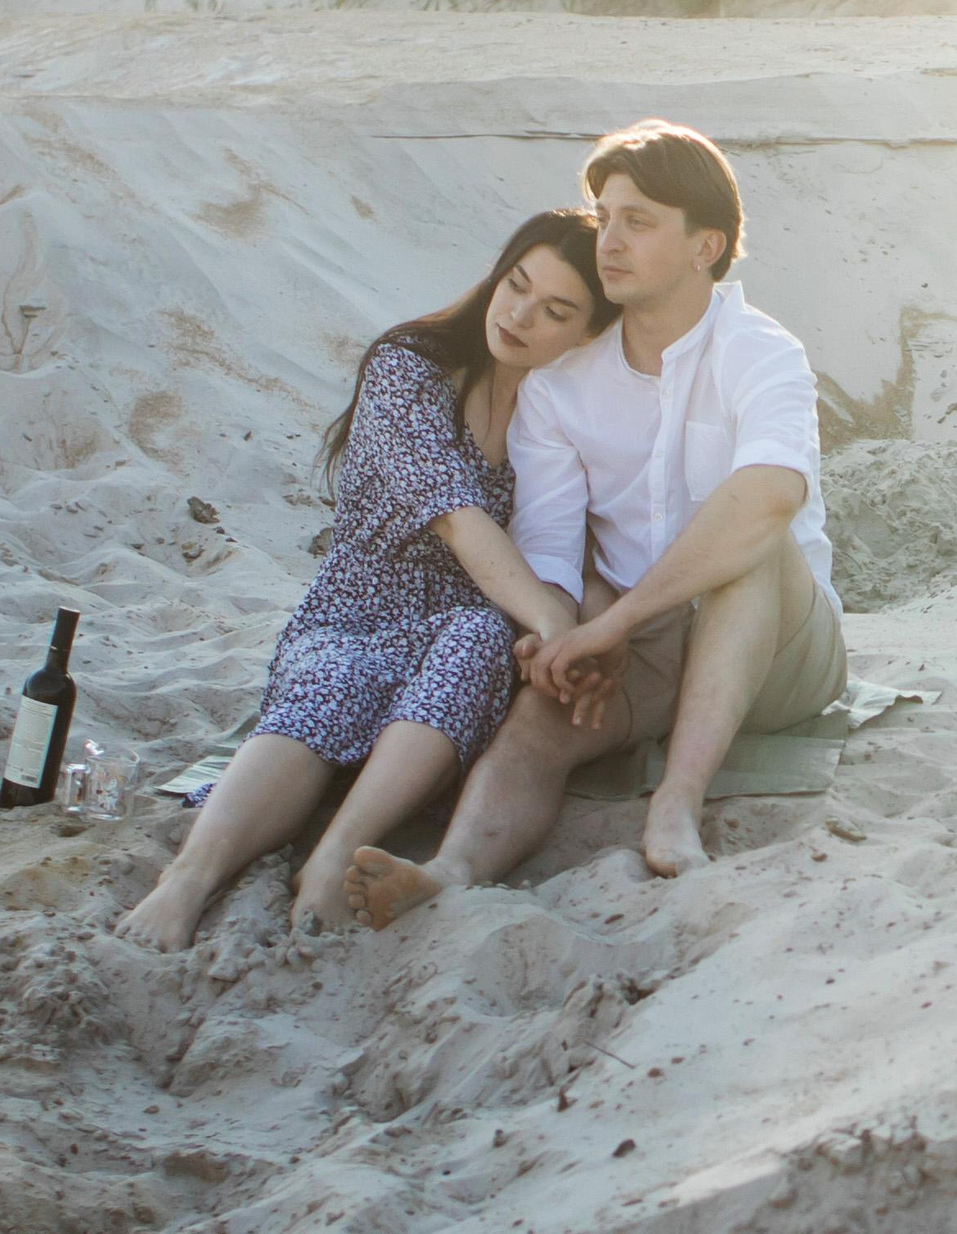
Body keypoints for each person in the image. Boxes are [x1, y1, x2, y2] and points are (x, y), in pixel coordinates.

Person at [347, 119, 844, 928]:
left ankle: (675, 806)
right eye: (604, 215)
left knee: (749, 550)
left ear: (705, 246)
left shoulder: (761, 350)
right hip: (640, 639)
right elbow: (548, 542)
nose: (607, 240)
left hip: (785, 648)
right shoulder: (561, 383)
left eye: (638, 221)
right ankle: (450, 869)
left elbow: (769, 496)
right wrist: (572, 636)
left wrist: (620, 617)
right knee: (545, 709)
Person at [120, 210, 618, 949]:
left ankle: (333, 855)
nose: (519, 315)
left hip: (469, 622)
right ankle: (187, 878)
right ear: (497, 271)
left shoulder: (558, 417)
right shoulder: (407, 367)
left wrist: (580, 634)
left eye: (556, 310)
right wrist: (550, 623)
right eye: (516, 284)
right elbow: (456, 518)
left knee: (479, 637)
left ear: (584, 335)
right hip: (356, 605)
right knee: (331, 684)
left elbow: (583, 546)